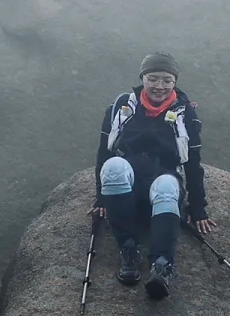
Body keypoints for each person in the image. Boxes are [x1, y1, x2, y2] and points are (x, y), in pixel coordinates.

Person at [92, 53, 215, 299]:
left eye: (167, 80)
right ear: (142, 78)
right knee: (114, 165)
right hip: (128, 188)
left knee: (168, 184)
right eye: (153, 78)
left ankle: (162, 264)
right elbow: (104, 153)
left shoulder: (185, 113)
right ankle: (128, 250)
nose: (159, 86)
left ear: (175, 82)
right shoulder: (120, 108)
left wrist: (198, 208)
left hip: (163, 186)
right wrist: (102, 198)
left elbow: (192, 162)